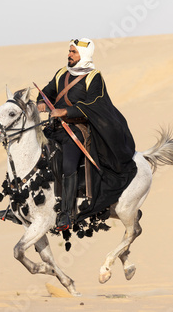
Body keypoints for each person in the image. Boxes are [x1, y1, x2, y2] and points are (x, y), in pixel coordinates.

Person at [37, 38, 137, 231]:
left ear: (83, 55)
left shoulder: (94, 77)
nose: (69, 55)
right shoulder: (61, 73)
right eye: (69, 51)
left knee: (68, 164)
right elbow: (47, 92)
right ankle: (19, 204)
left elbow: (95, 104)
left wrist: (66, 112)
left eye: (73, 52)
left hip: (77, 130)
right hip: (54, 128)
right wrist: (41, 101)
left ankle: (66, 213)